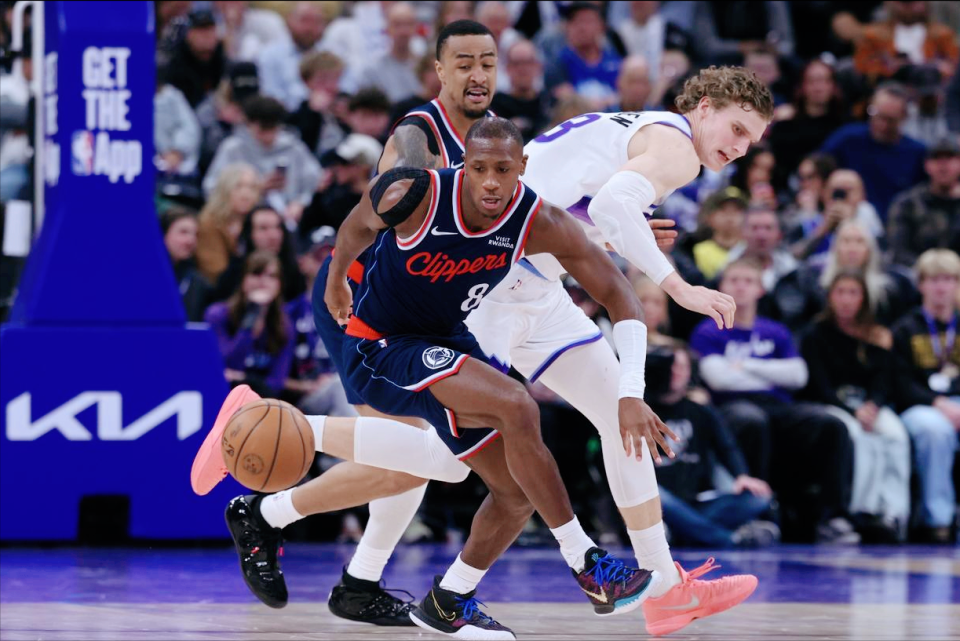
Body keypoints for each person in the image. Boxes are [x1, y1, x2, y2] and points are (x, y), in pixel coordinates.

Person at [197, 27, 757, 635]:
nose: (479, 74)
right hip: (412, 303)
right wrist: (678, 284)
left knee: (608, 416)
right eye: (465, 62)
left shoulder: (514, 154)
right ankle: (279, 490)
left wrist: (608, 246)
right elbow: (374, 226)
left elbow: (566, 217)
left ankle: (661, 586)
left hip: (525, 287)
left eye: (488, 62)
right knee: (447, 456)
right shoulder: (420, 137)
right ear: (438, 69)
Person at [690, 258, 858, 545]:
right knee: (752, 420)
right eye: (734, 280)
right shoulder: (708, 330)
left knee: (832, 425)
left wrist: (743, 365)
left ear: (761, 289)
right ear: (721, 287)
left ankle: (832, 518)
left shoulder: (776, 331)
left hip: (778, 406)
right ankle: (757, 512)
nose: (740, 287)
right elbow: (719, 380)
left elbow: (798, 375)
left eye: (748, 281)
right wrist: (771, 374)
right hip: (730, 407)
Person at [800, 270, 911, 542]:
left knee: (895, 435)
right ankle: (860, 512)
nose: (847, 299)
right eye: (841, 292)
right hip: (831, 405)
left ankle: (894, 513)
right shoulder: (815, 333)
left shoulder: (876, 334)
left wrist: (874, 405)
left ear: (864, 299)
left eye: (853, 293)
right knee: (856, 435)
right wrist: (854, 411)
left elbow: (885, 378)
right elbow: (819, 386)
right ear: (830, 297)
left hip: (869, 404)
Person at [646, 342, 779, 549]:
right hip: (658, 501)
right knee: (653, 492)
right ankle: (728, 539)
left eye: (682, 367)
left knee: (759, 498)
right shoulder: (643, 411)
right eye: (670, 366)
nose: (676, 373)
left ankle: (684, 531)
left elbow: (727, 446)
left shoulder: (701, 411)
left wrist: (741, 475)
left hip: (698, 501)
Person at [892, 248, 960, 544]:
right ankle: (938, 520)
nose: (941, 287)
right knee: (935, 431)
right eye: (934, 279)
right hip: (919, 406)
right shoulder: (904, 328)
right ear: (921, 284)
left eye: (948, 279)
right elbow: (899, 382)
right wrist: (939, 403)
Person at [203, 250, 294, 397]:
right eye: (256, 273)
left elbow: (276, 384)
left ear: (279, 285)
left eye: (271, 276)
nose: (263, 281)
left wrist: (243, 379)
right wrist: (251, 318)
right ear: (243, 280)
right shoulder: (217, 315)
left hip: (264, 402)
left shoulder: (285, 325)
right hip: (223, 398)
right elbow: (226, 365)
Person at [196, 163, 262, 284]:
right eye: (238, 186)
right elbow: (215, 273)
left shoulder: (258, 222)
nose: (246, 194)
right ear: (224, 190)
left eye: (252, 188)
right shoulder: (209, 223)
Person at [160, 207, 210, 323]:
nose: (191, 241)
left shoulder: (198, 283)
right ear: (163, 234)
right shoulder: (142, 274)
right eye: (183, 232)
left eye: (195, 234)